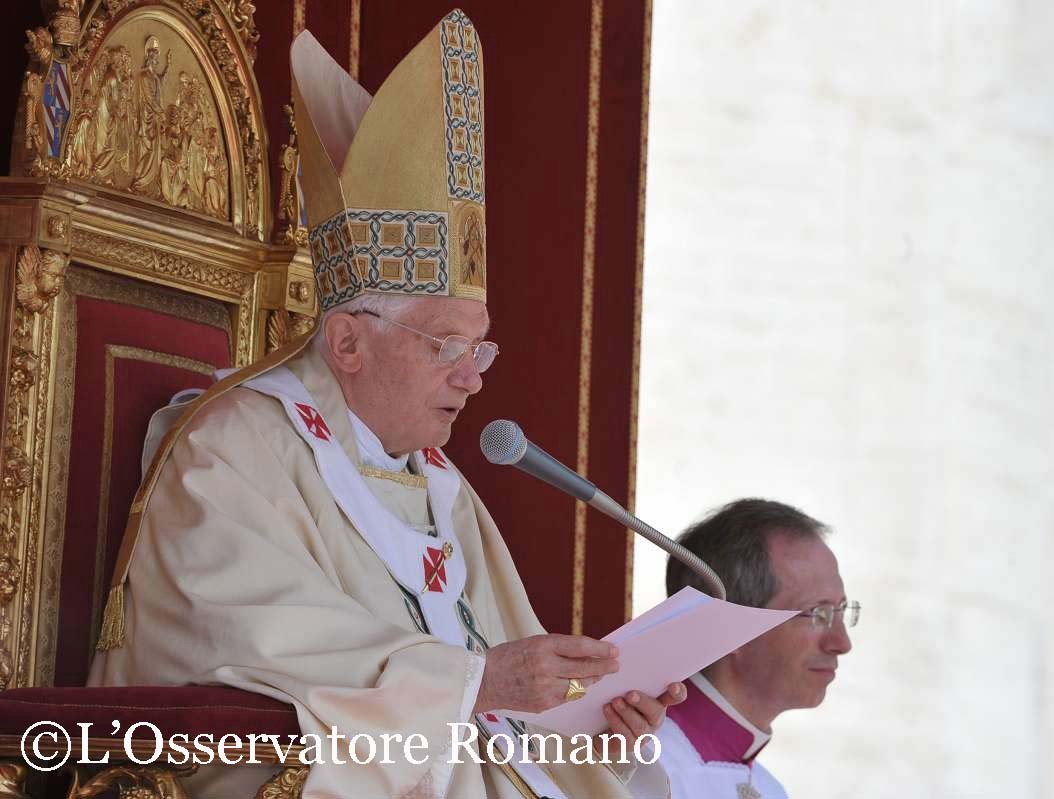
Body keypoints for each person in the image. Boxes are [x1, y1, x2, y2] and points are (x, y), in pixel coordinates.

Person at [89, 11, 677, 799]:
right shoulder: (230, 453)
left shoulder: (441, 488)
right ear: (348, 343)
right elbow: (243, 650)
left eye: (480, 348)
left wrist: (594, 717)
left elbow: (506, 694)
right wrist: (473, 685)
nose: (472, 377)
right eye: (446, 346)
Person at [657, 499, 858, 799]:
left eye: (841, 611)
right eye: (817, 614)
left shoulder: (770, 790)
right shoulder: (636, 767)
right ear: (729, 625)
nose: (842, 644)